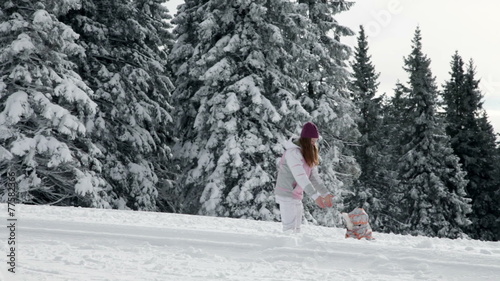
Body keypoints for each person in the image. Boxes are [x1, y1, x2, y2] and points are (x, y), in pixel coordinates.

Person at [274, 121, 334, 233]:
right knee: (289, 229)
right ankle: (285, 248)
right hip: (287, 193)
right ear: (305, 140)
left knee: (297, 229)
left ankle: (294, 249)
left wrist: (325, 194)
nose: (313, 144)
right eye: (311, 141)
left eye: (315, 142)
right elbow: (300, 177)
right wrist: (316, 196)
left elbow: (313, 177)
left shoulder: (307, 154)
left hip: (296, 195)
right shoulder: (293, 153)